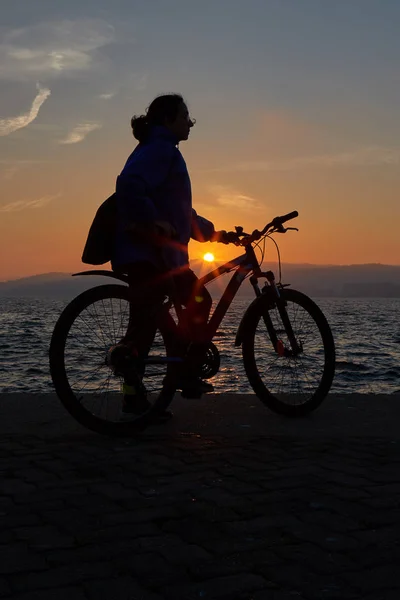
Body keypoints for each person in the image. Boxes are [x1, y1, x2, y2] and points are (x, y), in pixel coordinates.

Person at [110, 93, 235, 419]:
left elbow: (181, 212)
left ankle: (133, 398)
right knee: (199, 301)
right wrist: (152, 221)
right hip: (151, 256)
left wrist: (215, 234)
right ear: (167, 119)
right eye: (184, 116)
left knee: (142, 331)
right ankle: (185, 371)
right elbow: (128, 185)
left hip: (149, 255)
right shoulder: (160, 150)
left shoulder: (157, 148)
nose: (189, 123)